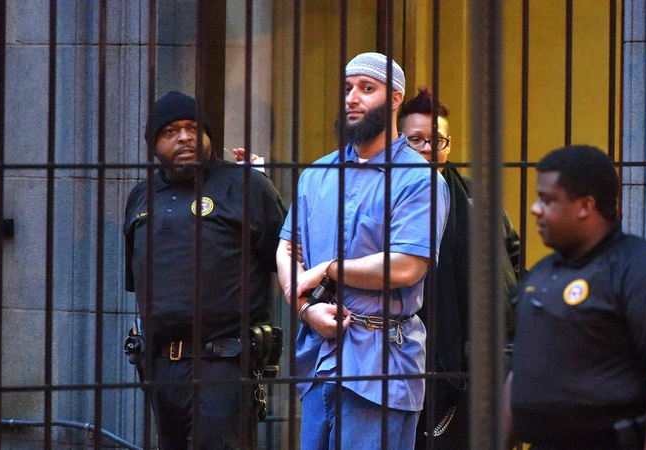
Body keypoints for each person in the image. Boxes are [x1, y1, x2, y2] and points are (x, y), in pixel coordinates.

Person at [276, 53, 449, 449]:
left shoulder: (418, 178)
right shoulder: (317, 173)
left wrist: (329, 269)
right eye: (347, 88)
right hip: (319, 355)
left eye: (366, 89)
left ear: (394, 99)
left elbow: (406, 266)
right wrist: (303, 307)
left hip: (383, 362)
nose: (352, 97)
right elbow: (287, 247)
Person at [502, 145, 646, 449]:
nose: (535, 209)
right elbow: (521, 372)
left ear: (585, 206)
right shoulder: (543, 273)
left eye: (548, 200)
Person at [123, 91, 286, 449]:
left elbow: (291, 259)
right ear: (153, 144)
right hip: (161, 366)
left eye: (193, 128)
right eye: (170, 131)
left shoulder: (245, 186)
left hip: (223, 364)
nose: (184, 137)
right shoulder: (140, 197)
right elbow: (140, 286)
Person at [398, 87, 520, 449]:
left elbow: (511, 256)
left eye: (436, 140)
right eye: (415, 141)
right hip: (410, 354)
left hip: (483, 357)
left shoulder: (477, 196)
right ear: (399, 144)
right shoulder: (387, 196)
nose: (427, 150)